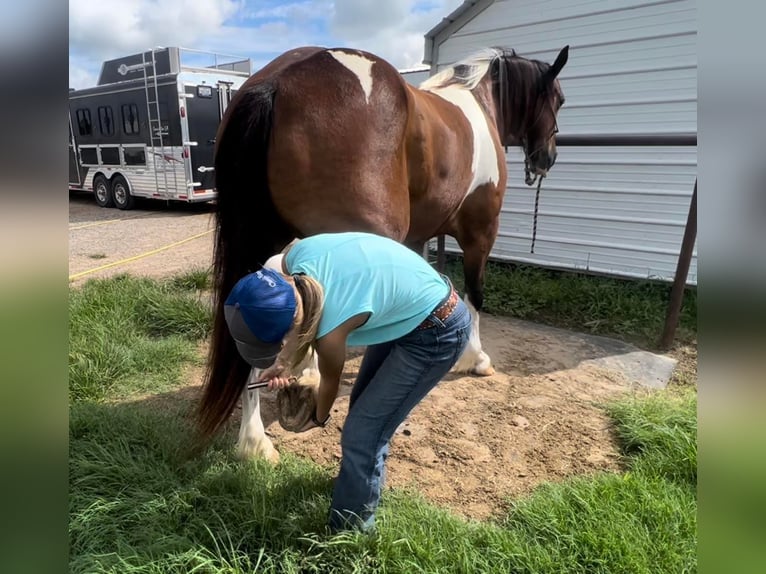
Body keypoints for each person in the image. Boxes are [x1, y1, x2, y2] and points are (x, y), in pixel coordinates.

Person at [223, 231, 472, 532]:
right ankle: (360, 485)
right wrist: (284, 364)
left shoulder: (331, 333)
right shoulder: (292, 264)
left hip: (437, 330)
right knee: (365, 415)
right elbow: (300, 322)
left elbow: (330, 384)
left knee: (362, 433)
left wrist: (316, 418)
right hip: (408, 308)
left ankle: (350, 534)